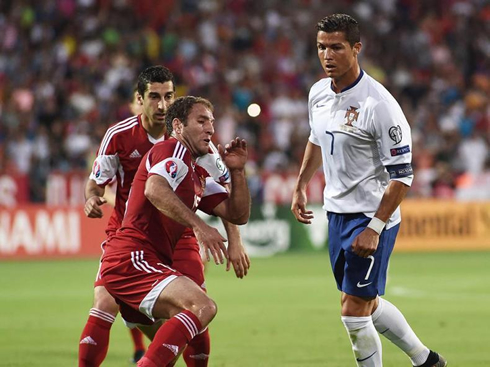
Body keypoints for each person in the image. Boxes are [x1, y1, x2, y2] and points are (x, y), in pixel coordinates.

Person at [291, 14, 447, 367]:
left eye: (336, 47)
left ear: (356, 48)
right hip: (337, 216)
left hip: (370, 217)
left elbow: (403, 176)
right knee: (367, 304)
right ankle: (427, 361)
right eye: (321, 47)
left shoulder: (380, 106)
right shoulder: (318, 93)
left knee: (352, 313)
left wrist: (374, 228)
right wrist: (300, 184)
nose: (327, 55)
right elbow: (316, 140)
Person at [79, 66, 250, 367]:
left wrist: (237, 172)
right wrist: (199, 226)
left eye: (168, 96)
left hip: (169, 242)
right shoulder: (168, 149)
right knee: (197, 306)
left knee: (183, 326)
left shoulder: (200, 164)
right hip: (132, 246)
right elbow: (154, 190)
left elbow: (237, 213)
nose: (210, 129)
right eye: (201, 122)